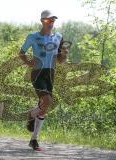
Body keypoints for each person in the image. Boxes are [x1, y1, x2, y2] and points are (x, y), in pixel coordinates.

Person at [18, 10, 69, 151]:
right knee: (47, 102)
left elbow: (60, 59)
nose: (51, 23)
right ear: (42, 21)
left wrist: (64, 56)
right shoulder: (33, 37)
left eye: (53, 20)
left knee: (44, 108)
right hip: (38, 74)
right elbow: (21, 53)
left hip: (50, 75)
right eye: (48, 20)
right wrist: (28, 63)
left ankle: (33, 139)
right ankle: (31, 115)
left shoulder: (58, 37)